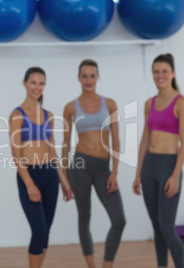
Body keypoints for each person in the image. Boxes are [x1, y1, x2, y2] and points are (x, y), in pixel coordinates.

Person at [62, 60, 126, 268]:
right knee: (84, 216)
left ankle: (107, 264)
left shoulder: (110, 104)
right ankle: (91, 265)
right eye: (84, 76)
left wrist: (114, 172)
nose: (88, 80)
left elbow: (116, 141)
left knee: (119, 220)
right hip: (80, 165)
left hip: (103, 167)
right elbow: (65, 144)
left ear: (97, 77)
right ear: (79, 78)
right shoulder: (71, 107)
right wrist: (64, 178)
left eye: (92, 75)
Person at [9, 67, 73, 268]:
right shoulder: (17, 115)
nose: (37, 87)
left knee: (46, 231)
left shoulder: (49, 115)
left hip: (50, 176)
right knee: (39, 231)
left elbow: (52, 151)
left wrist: (64, 181)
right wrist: (29, 185)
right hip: (30, 175)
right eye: (33, 82)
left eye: (41, 83)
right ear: (25, 83)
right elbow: (16, 155)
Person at [133, 53, 184, 268]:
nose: (160, 75)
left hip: (169, 167)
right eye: (156, 71)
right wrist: (138, 173)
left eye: (164, 71)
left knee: (167, 227)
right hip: (149, 168)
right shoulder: (150, 103)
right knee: (157, 226)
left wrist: (175, 176)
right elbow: (145, 139)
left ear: (173, 73)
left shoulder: (181, 103)